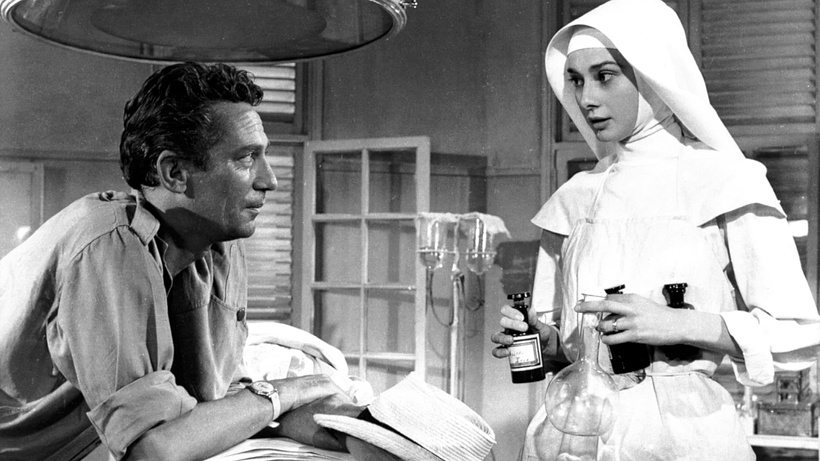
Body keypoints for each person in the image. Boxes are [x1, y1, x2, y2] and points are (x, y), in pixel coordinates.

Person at [490, 0, 820, 459]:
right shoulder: (574, 199)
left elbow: (798, 337)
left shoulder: (727, 182)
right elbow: (571, 347)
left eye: (605, 76)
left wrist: (679, 324)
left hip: (684, 440)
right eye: (576, 80)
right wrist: (544, 341)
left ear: (654, 76)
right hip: (575, 438)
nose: (586, 99)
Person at [0, 62, 377, 461]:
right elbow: (152, 450)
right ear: (175, 172)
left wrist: (356, 430)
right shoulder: (110, 245)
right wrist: (286, 391)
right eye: (247, 158)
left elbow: (219, 405)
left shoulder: (217, 244)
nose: (270, 180)